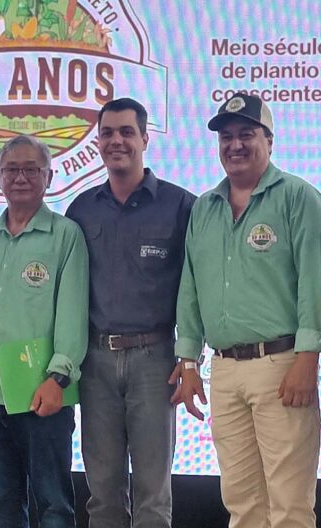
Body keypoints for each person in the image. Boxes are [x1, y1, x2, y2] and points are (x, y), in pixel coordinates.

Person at [172, 93, 321, 528]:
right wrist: (187, 360)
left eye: (247, 134)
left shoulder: (300, 198)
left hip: (281, 364)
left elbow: (315, 285)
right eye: (227, 137)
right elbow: (190, 286)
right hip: (223, 371)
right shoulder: (204, 206)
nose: (236, 145)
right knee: (241, 501)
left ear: (270, 139)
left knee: (289, 502)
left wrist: (307, 359)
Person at [65, 97, 195, 527]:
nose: (116, 140)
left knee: (153, 493)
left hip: (155, 360)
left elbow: (195, 288)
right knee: (101, 491)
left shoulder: (181, 206)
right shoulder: (80, 210)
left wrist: (191, 355)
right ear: (97, 141)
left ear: (145, 139)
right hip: (95, 361)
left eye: (126, 132)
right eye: (108, 133)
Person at [0, 135, 89, 528]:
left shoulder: (66, 234)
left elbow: (73, 314)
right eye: (11, 169)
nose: (20, 177)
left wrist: (58, 377)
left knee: (53, 506)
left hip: (42, 396)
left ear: (49, 176)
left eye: (31, 169)